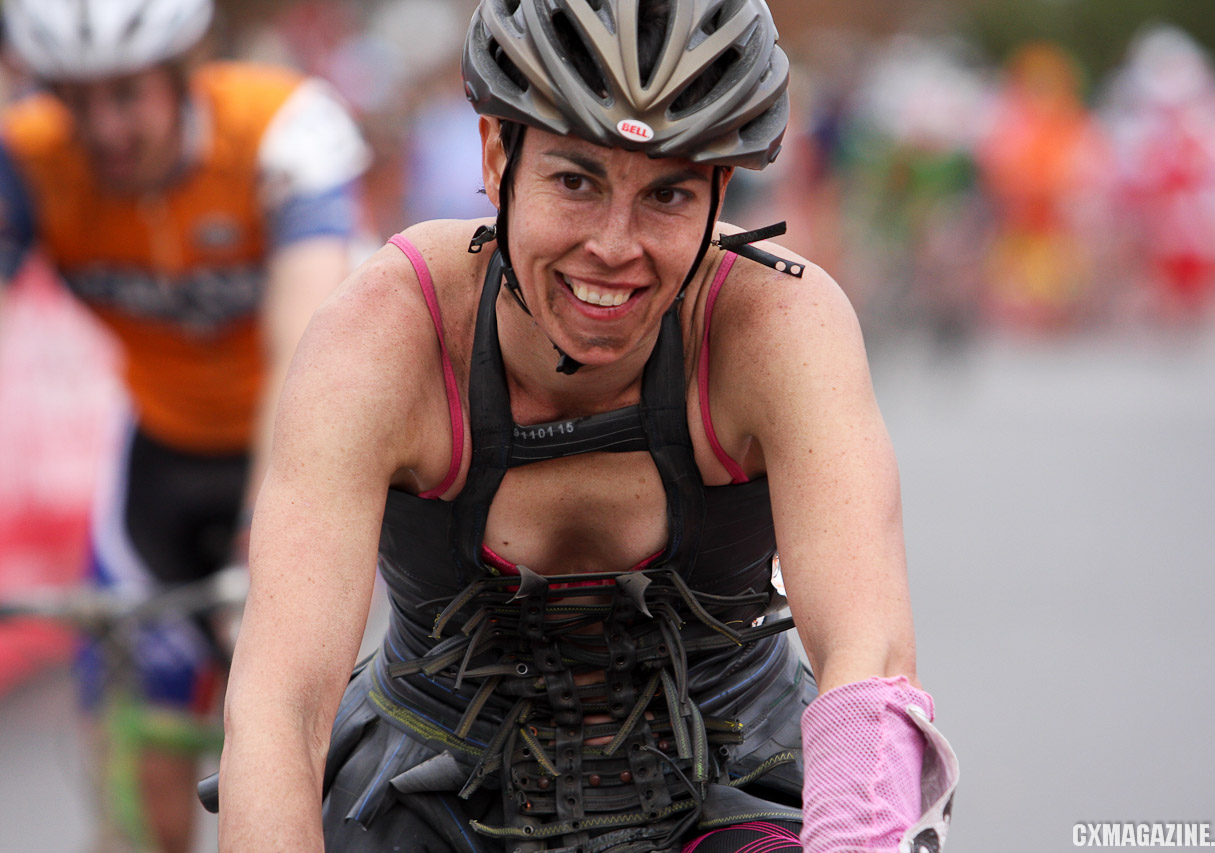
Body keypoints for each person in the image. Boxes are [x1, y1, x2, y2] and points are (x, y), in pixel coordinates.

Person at [216, 1, 957, 851]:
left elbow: (870, 658)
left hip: (733, 786)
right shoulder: (385, 335)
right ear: (498, 158)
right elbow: (280, 708)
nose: (615, 245)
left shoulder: (781, 325)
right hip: (432, 797)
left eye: (669, 193)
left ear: (722, 192)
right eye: (575, 181)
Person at [0, 0, 370, 850]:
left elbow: (300, 359)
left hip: (307, 452)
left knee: (293, 770)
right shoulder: (29, 158)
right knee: (143, 794)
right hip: (161, 462)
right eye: (75, 101)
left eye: (127, 94)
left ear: (179, 72)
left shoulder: (281, 131)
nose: (104, 129)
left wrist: (263, 541)